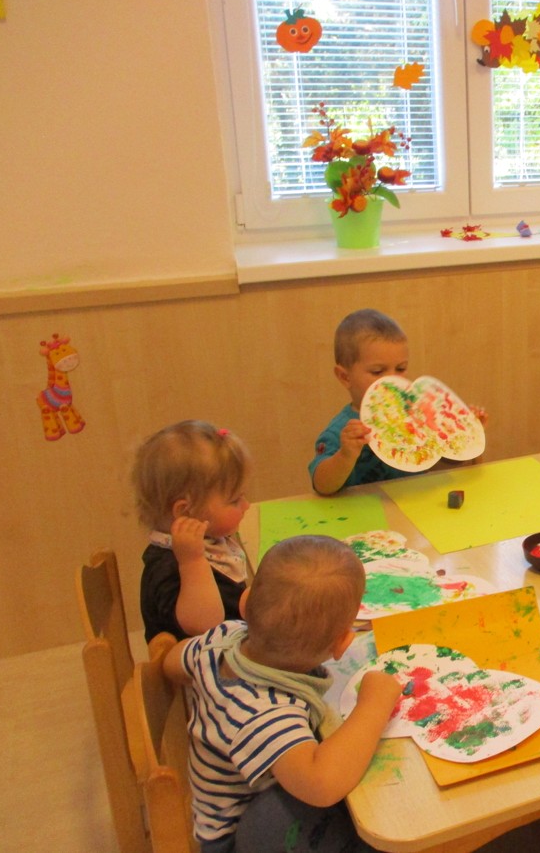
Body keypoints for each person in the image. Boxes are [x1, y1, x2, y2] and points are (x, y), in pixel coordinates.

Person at [163, 534, 403, 853]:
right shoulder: (267, 712)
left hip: (233, 808)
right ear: (342, 644)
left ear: (246, 602)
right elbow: (322, 784)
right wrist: (373, 704)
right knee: (377, 819)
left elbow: (171, 663)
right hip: (239, 838)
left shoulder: (221, 638)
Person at [133, 420, 251, 642]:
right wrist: (192, 562)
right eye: (235, 500)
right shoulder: (171, 565)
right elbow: (205, 625)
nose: (246, 506)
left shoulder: (209, 540)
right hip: (203, 661)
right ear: (186, 512)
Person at [310, 308, 414, 494]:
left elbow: (437, 468)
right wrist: (345, 455)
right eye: (377, 371)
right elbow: (322, 485)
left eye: (400, 368)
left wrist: (460, 434)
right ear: (345, 377)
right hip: (365, 511)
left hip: (415, 504)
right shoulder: (342, 432)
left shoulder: (414, 415)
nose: (392, 380)